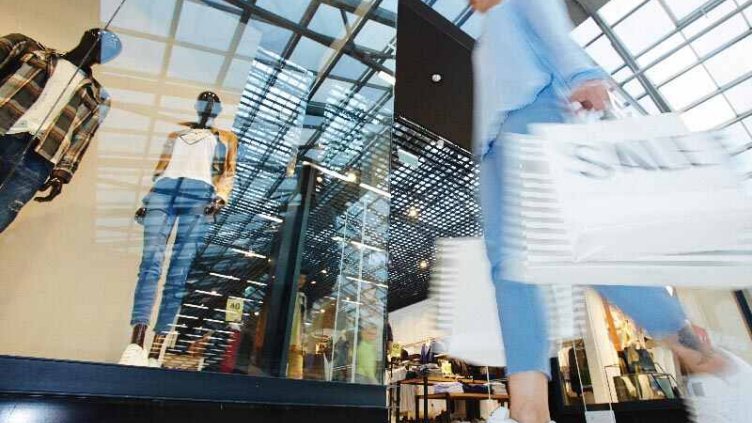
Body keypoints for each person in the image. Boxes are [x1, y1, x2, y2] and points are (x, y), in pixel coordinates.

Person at [469, 1, 752, 422]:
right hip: (494, 147)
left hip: (538, 119)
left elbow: (551, 28)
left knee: (585, 249)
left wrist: (582, 74)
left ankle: (709, 361)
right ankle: (528, 411)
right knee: (510, 270)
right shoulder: (486, 34)